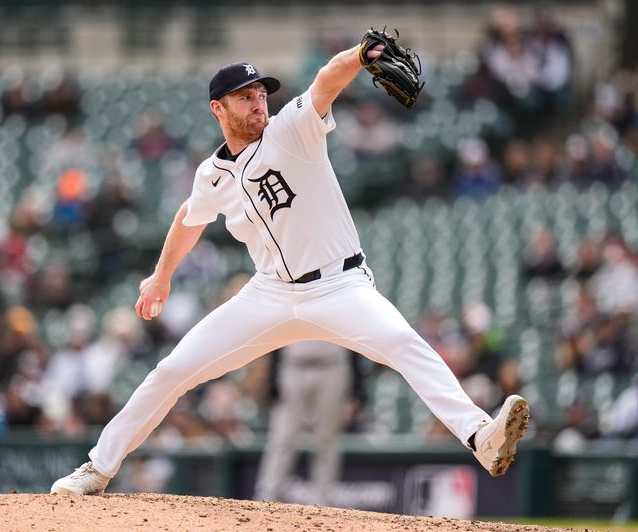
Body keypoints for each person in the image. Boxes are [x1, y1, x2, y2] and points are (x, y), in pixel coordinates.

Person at [51, 38, 531, 496]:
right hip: (269, 295)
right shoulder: (212, 173)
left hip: (339, 285)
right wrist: (161, 276)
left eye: (261, 93)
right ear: (218, 108)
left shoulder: (291, 129)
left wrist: (361, 55)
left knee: (404, 344)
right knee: (173, 370)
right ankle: (98, 467)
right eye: (245, 97)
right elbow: (188, 217)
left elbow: (325, 81)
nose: (259, 103)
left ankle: (480, 437)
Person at [255, 341, 363, 505]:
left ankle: (324, 502)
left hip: (331, 366)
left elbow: (350, 335)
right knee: (283, 438)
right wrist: (273, 377)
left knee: (327, 440)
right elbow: (278, 331)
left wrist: (357, 384)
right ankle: (267, 497)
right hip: (293, 366)